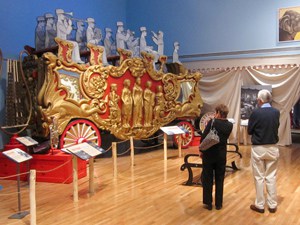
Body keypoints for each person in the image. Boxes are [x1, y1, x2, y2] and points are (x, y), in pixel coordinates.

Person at [248, 89, 280, 214]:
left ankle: (260, 205)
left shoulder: (255, 113)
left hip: (258, 148)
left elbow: (250, 131)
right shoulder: (276, 112)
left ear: (259, 100)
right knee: (271, 177)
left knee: (259, 177)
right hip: (273, 147)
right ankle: (272, 205)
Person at [201, 104, 233, 211]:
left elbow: (204, 137)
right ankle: (219, 203)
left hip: (209, 154)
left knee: (207, 178)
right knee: (220, 179)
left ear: (218, 112)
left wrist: (201, 150)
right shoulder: (229, 125)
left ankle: (208, 203)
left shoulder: (213, 122)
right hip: (221, 154)